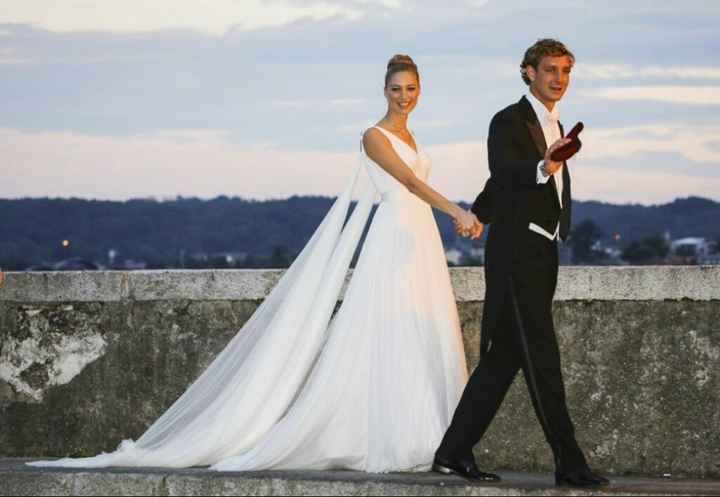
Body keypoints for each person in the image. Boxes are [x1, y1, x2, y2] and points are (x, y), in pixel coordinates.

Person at [28, 55, 485, 473]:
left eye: (410, 89)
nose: (403, 97)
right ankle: (390, 438)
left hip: (418, 237)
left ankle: (429, 436)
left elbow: (415, 184)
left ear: (420, 90)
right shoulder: (374, 136)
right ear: (383, 91)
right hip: (392, 235)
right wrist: (457, 212)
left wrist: (449, 217)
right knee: (387, 331)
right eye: (395, 89)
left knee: (420, 330)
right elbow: (405, 181)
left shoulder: (411, 135)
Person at [434, 39, 610, 488]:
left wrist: (478, 213)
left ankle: (452, 452)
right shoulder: (508, 120)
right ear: (528, 72)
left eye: (566, 71)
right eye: (550, 70)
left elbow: (499, 187)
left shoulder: (557, 123)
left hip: (542, 251)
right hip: (516, 254)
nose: (559, 79)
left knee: (505, 358)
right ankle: (569, 461)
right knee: (543, 356)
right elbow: (507, 169)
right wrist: (542, 165)